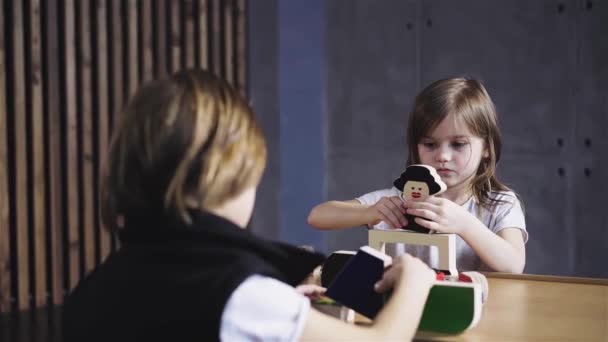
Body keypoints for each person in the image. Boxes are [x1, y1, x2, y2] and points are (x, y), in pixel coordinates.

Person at [62, 69, 436, 341]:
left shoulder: (93, 288)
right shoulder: (240, 295)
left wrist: (279, 305)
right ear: (227, 178)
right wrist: (415, 283)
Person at [308, 77, 527, 273]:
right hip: (404, 311)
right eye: (430, 144)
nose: (442, 155)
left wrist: (464, 224)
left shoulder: (499, 203)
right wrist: (370, 211)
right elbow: (318, 216)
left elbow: (513, 264)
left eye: (458, 144)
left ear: (487, 148)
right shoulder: (402, 199)